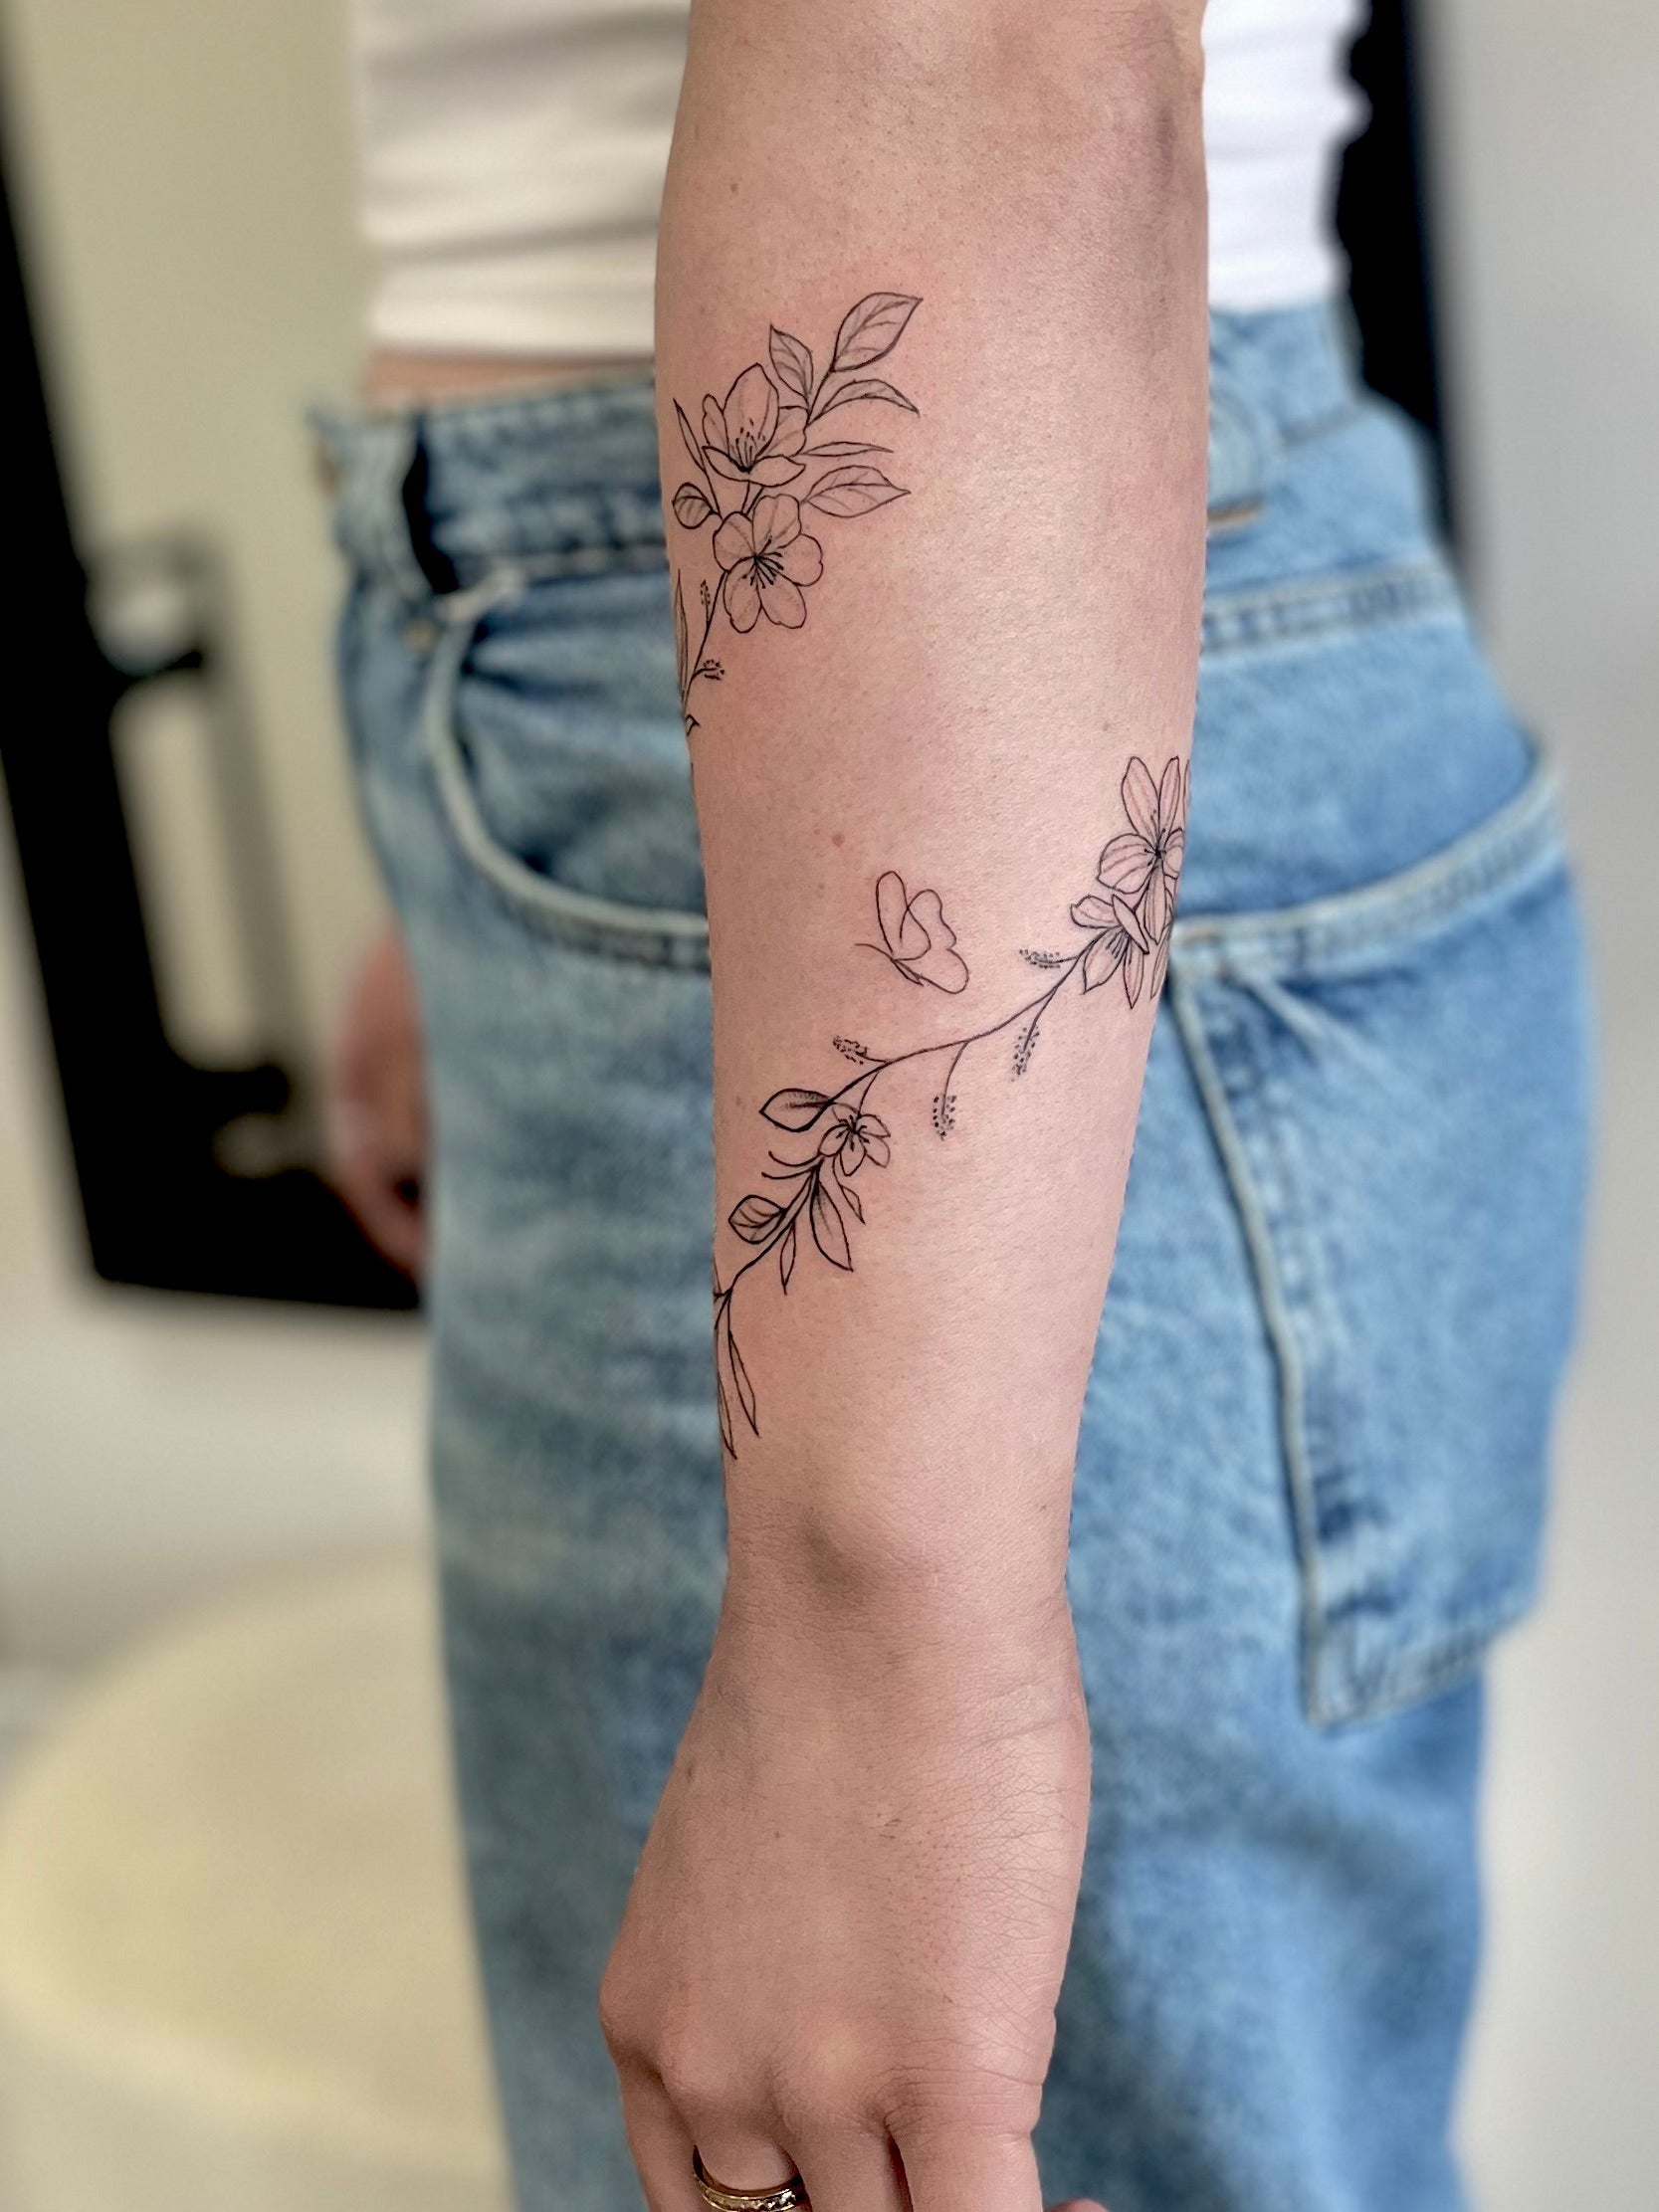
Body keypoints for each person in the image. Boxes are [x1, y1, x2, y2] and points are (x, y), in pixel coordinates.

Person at [318, 2, 1591, 2207]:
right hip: (794, 689)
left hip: (954, 644)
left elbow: (991, 36)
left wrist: (880, 1634)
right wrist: (496, 833)